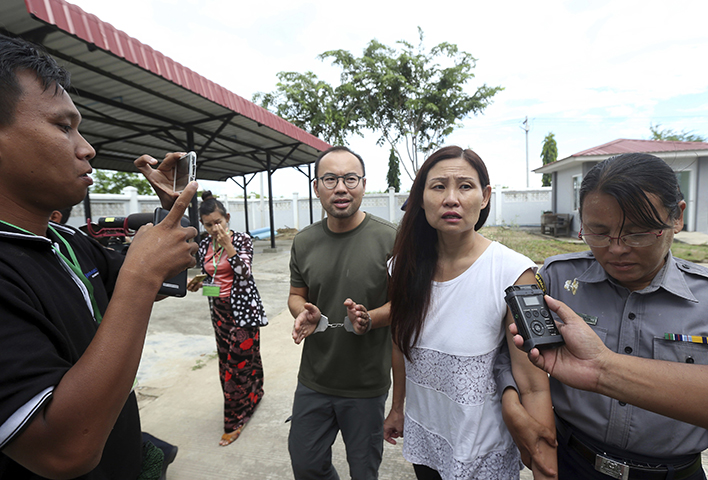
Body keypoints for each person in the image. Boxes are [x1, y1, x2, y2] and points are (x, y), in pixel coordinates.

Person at [0, 33, 198, 479]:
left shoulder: (65, 241)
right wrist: (139, 278)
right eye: (63, 126)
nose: (87, 148)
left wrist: (171, 212)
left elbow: (164, 278)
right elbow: (64, 451)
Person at [500, 152, 708, 479]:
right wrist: (511, 401)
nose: (617, 248)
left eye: (638, 233)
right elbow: (515, 351)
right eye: (598, 232)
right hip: (574, 462)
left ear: (677, 217)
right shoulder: (558, 279)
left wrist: (603, 368)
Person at [382, 146, 557, 480]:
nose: (451, 198)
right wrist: (397, 407)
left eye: (464, 186)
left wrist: (544, 466)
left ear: (485, 196)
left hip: (481, 449)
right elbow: (399, 345)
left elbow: (534, 382)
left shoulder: (514, 272)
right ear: (420, 199)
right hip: (426, 440)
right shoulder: (401, 268)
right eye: (438, 187)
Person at [288, 146, 397, 479]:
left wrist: (370, 319)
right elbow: (296, 295)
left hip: (365, 384)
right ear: (316, 186)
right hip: (314, 379)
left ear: (363, 184)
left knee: (364, 472)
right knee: (305, 464)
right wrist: (303, 313)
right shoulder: (304, 241)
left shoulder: (390, 238)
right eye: (330, 179)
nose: (340, 187)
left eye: (350, 178)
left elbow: (405, 305)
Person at [187, 191, 268, 446]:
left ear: (227, 218)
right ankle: (254, 396)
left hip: (243, 313)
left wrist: (228, 246)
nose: (214, 228)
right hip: (220, 313)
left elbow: (244, 273)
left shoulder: (242, 240)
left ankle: (234, 420)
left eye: (218, 222)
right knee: (229, 363)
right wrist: (201, 284)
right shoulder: (203, 245)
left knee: (239, 365)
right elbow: (213, 279)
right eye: (208, 224)